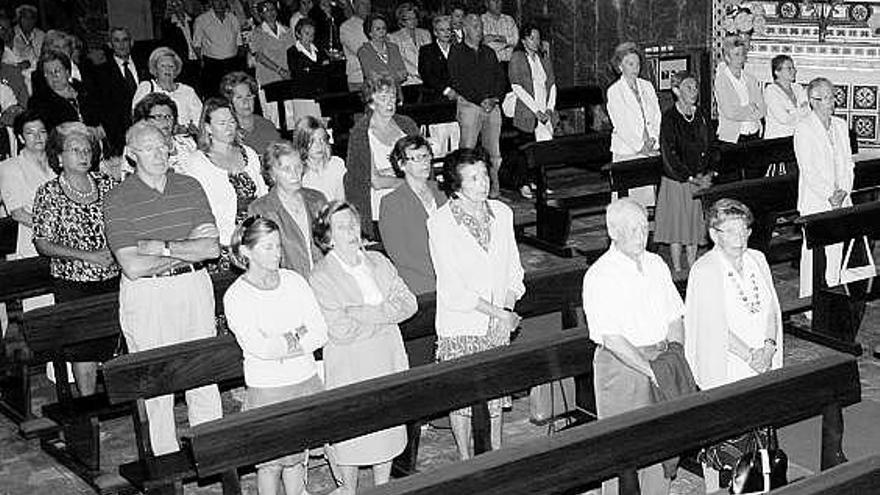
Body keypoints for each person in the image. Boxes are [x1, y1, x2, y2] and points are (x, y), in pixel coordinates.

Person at [104, 121, 222, 456]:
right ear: (131, 154)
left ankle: (212, 453)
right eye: (148, 147)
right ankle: (165, 462)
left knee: (203, 374)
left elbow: (211, 249)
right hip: (148, 295)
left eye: (162, 145)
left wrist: (161, 246)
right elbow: (133, 266)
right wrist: (186, 250)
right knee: (156, 385)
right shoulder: (117, 199)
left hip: (194, 288)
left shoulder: (189, 186)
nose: (158, 153)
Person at [309, 200, 416, 495]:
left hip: (387, 358)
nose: (351, 231)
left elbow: (409, 304)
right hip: (351, 365)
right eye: (342, 227)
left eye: (354, 224)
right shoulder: (320, 276)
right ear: (328, 236)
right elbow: (340, 330)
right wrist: (384, 314)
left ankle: (384, 488)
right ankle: (348, 491)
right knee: (350, 438)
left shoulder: (379, 262)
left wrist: (361, 312)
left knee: (387, 432)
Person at [582, 197, 684, 495]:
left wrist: (675, 354)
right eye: (632, 230)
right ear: (613, 232)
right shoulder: (600, 275)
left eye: (644, 228)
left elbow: (675, 315)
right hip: (623, 367)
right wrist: (649, 369)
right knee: (622, 447)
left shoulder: (656, 264)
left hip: (661, 357)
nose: (641, 236)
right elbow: (611, 337)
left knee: (661, 440)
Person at [427, 147, 525, 459]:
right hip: (462, 323)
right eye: (473, 178)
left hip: (498, 319)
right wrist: (498, 314)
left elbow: (514, 269)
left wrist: (506, 312)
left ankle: (495, 453)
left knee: (495, 396)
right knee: (463, 398)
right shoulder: (440, 223)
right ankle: (465, 458)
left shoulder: (502, 212)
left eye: (484, 174)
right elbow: (454, 288)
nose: (483, 183)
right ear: (456, 185)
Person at [684, 198, 783, 492]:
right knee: (731, 449)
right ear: (715, 234)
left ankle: (764, 485)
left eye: (745, 230)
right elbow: (711, 326)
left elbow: (771, 309)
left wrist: (767, 347)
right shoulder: (705, 270)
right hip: (727, 365)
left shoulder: (757, 259)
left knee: (763, 441)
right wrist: (750, 355)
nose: (741, 238)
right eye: (732, 231)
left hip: (762, 360)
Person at [224, 216, 328, 495]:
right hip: (269, 388)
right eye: (267, 247)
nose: (277, 253)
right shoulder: (237, 296)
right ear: (246, 252)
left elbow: (319, 331)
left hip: (304, 378)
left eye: (278, 246)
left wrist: (283, 341)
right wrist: (297, 334)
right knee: (271, 463)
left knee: (297, 459)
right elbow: (260, 348)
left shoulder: (294, 281)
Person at [32, 123, 119, 396]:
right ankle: (88, 410)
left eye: (87, 150)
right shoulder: (49, 193)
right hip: (74, 283)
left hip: (114, 276)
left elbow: (123, 224)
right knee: (85, 351)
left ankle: (130, 407)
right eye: (75, 150)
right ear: (59, 157)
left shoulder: (107, 184)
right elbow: (43, 243)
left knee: (120, 343)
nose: (83, 155)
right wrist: (88, 256)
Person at [182, 97, 268, 270]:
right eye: (222, 123)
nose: (229, 127)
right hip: (223, 245)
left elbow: (263, 195)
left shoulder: (249, 153)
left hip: (256, 240)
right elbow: (196, 210)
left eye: (231, 121)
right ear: (208, 127)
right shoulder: (196, 162)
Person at [795, 77, 855, 299]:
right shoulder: (803, 128)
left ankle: (833, 294)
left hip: (841, 197)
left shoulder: (839, 126)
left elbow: (848, 163)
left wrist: (844, 190)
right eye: (827, 98)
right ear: (813, 101)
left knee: (836, 247)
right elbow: (808, 169)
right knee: (812, 251)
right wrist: (830, 195)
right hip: (816, 199)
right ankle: (809, 298)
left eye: (833, 97)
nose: (832, 102)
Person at [344, 73, 418, 238]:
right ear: (371, 102)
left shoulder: (407, 125)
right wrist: (408, 181)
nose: (390, 102)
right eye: (383, 97)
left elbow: (420, 162)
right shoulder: (361, 133)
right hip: (381, 207)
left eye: (392, 97)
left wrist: (389, 174)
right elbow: (375, 181)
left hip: (411, 200)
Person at [656, 71, 712, 275]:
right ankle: (678, 267)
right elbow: (668, 152)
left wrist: (706, 172)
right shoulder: (670, 117)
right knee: (677, 224)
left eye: (695, 87)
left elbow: (710, 144)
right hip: (677, 179)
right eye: (689, 87)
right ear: (676, 90)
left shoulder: (701, 114)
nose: (694, 91)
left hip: (698, 177)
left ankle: (693, 262)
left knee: (694, 223)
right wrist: (687, 175)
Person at [249, 141, 327, 278]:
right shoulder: (260, 210)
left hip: (326, 282)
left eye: (298, 167)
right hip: (288, 286)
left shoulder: (317, 199)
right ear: (272, 174)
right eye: (286, 169)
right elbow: (261, 262)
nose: (295, 174)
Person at [379, 134, 446, 295]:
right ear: (402, 165)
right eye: (415, 158)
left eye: (425, 156)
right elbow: (400, 254)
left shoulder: (442, 191)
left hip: (453, 274)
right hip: (420, 283)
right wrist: (440, 270)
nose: (424, 162)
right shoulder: (391, 202)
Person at [448, 14, 506, 198]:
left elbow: (500, 78)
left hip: (492, 105)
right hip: (470, 105)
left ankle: (493, 187)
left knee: (494, 151)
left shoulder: (488, 52)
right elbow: (459, 81)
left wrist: (495, 98)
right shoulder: (457, 52)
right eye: (474, 26)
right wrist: (480, 100)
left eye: (480, 26)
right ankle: (462, 188)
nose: (479, 30)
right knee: (467, 149)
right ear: (465, 29)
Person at [606, 41, 660, 206]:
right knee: (628, 201)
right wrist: (639, 146)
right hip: (628, 150)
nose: (635, 68)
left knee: (646, 198)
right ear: (620, 66)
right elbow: (621, 125)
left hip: (649, 148)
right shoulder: (615, 91)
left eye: (637, 63)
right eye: (630, 64)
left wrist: (653, 139)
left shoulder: (647, 86)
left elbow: (656, 115)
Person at [508, 22, 556, 199]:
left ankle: (542, 181)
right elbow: (517, 86)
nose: (536, 41)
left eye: (538, 38)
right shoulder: (518, 58)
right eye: (531, 38)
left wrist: (549, 109)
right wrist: (536, 111)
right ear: (524, 40)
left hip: (545, 107)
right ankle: (524, 183)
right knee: (525, 149)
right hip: (527, 110)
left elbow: (551, 84)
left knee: (544, 148)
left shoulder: (543, 58)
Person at [0, 111, 52, 260]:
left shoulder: (59, 163)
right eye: (30, 133)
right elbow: (18, 213)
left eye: (42, 131)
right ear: (21, 138)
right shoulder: (9, 167)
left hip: (66, 241)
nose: (38, 137)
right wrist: (55, 228)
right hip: (31, 244)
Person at [29, 50, 102, 135]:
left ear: (67, 72)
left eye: (57, 70)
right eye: (48, 73)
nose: (54, 76)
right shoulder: (38, 102)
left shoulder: (85, 90)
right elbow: (46, 132)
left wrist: (98, 131)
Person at [94, 27, 143, 156]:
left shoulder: (145, 66)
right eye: (116, 40)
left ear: (131, 42)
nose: (121, 45)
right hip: (119, 136)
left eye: (125, 40)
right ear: (110, 44)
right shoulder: (100, 73)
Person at [417, 14, 460, 158]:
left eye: (448, 30)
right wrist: (447, 90)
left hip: (456, 102)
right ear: (435, 32)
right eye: (442, 30)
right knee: (439, 143)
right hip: (436, 102)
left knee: (456, 141)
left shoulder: (458, 49)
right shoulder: (427, 51)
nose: (446, 33)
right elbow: (428, 76)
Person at [131, 47, 204, 130]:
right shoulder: (146, 87)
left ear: (176, 70)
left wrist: (190, 128)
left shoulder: (188, 91)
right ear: (155, 69)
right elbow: (137, 118)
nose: (167, 69)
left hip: (184, 139)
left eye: (171, 66)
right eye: (163, 66)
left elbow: (200, 118)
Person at [250, 0, 295, 127]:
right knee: (273, 117)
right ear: (261, 14)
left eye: (272, 9)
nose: (271, 13)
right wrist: (280, 70)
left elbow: (292, 53)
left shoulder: (286, 30)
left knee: (291, 114)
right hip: (268, 79)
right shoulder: (257, 32)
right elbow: (259, 56)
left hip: (287, 78)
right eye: (266, 10)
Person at [131, 92, 198, 175]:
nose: (165, 121)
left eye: (168, 116)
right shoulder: (136, 151)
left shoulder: (188, 143)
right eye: (158, 117)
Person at [715, 35, 765, 144]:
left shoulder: (751, 79)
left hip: (754, 134)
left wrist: (744, 111)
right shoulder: (722, 80)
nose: (741, 58)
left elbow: (762, 110)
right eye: (736, 54)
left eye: (742, 54)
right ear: (727, 57)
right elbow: (730, 113)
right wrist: (750, 108)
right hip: (733, 138)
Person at [220, 71, 280, 154]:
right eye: (239, 97)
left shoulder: (266, 125)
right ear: (230, 103)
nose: (246, 102)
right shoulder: (227, 132)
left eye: (249, 96)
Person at [193, 0, 243, 98]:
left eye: (223, 1)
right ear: (211, 2)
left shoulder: (233, 18)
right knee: (214, 96)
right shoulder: (202, 20)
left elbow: (239, 42)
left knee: (234, 94)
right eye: (217, 1)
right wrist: (202, 61)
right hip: (212, 65)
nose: (220, 3)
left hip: (232, 63)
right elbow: (196, 45)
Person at [294, 115, 346, 202]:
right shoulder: (299, 173)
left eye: (322, 140)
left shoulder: (336, 164)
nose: (319, 146)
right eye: (313, 141)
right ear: (303, 143)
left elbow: (342, 200)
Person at [764, 54, 809, 140]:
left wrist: (792, 112)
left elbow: (809, 112)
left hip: (797, 137)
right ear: (777, 72)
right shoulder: (771, 91)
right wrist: (802, 110)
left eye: (793, 68)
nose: (794, 71)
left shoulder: (798, 88)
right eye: (789, 68)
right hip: (777, 139)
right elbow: (784, 119)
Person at [357, 13, 408, 88]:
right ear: (370, 32)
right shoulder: (364, 51)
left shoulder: (394, 47)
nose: (382, 32)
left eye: (384, 28)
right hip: (376, 94)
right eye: (378, 29)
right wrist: (395, 75)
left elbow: (403, 73)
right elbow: (372, 77)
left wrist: (383, 76)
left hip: (395, 92)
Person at [388, 3, 431, 87]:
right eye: (409, 19)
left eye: (415, 18)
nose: (413, 21)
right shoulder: (393, 37)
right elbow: (399, 62)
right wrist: (417, 73)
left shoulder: (425, 33)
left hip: (427, 81)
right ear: (401, 21)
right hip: (408, 82)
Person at [287, 18, 331, 98]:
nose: (310, 37)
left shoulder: (319, 49)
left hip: (322, 93)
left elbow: (327, 70)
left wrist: (312, 69)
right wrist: (319, 67)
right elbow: (299, 74)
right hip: (303, 95)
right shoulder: (293, 52)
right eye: (307, 34)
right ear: (298, 34)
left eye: (312, 34)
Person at [160, 0, 199, 87]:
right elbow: (167, 46)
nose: (176, 6)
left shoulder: (194, 20)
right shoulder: (167, 24)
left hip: (197, 60)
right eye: (174, 4)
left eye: (178, 3)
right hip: (182, 62)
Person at [339, 0, 370, 91]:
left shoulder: (376, 23)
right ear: (354, 6)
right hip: (359, 79)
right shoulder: (347, 27)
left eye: (368, 4)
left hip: (380, 77)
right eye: (362, 4)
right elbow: (362, 51)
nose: (367, 7)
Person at [481, 0, 518, 64]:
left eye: (499, 0)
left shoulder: (509, 20)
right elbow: (488, 46)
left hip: (510, 64)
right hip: (490, 64)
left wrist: (497, 38)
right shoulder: (481, 21)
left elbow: (516, 40)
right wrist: (507, 43)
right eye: (494, 0)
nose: (497, 3)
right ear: (486, 4)